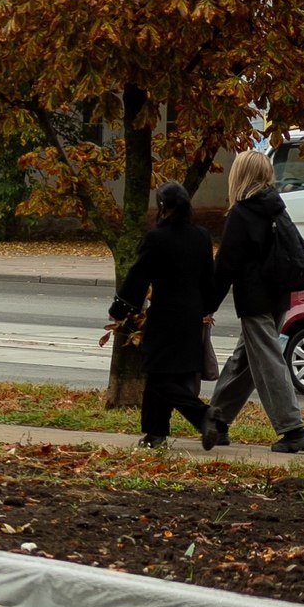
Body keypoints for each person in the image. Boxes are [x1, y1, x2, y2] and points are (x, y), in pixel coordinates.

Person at [203, 149, 304, 455]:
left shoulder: (242, 213)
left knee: (267, 360)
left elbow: (226, 266)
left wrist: (206, 304)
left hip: (255, 298)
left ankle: (293, 429)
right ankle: (217, 420)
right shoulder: (276, 207)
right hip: (280, 295)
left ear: (241, 175)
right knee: (246, 360)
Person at [110, 182, 215, 448]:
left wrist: (120, 308)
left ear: (162, 207)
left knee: (157, 374)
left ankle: (203, 415)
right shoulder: (201, 236)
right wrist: (205, 308)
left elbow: (138, 276)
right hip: (191, 316)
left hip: (165, 315)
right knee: (171, 376)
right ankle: (155, 434)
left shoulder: (157, 239)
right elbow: (208, 281)